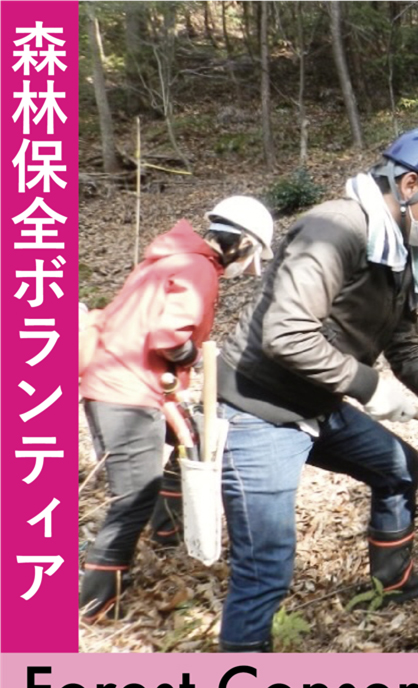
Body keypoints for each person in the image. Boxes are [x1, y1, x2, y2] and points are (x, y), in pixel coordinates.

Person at [214, 127, 418, 653]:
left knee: (397, 466)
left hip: (318, 401)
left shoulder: (396, 254)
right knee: (266, 571)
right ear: (411, 184)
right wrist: (368, 386)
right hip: (259, 408)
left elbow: (408, 350)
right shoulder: (337, 229)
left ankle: (393, 583)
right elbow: (285, 333)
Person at [77, 196, 275, 621]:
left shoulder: (173, 258)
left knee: (197, 438)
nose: (251, 267)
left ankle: (167, 531)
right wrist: (194, 359)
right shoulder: (198, 267)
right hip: (126, 392)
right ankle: (95, 605)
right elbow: (167, 339)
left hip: (124, 383)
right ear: (240, 243)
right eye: (253, 255)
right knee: (132, 499)